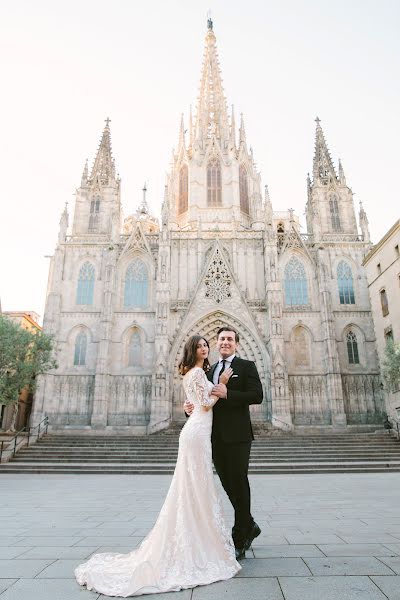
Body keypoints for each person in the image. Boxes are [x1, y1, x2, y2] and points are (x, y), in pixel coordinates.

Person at [74, 335, 241, 597]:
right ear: (192, 350)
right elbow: (206, 405)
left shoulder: (195, 373)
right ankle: (196, 544)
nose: (204, 348)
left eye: (205, 345)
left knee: (193, 488)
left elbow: (196, 403)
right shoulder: (198, 373)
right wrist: (220, 386)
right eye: (199, 345)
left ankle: (196, 539)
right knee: (194, 487)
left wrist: (195, 403)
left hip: (197, 431)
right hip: (197, 433)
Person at [184, 326, 263, 559]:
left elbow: (256, 395)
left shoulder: (246, 366)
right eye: (221, 339)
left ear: (236, 343)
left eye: (229, 339)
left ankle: (240, 537)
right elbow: (202, 400)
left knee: (239, 482)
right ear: (217, 344)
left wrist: (228, 394)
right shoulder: (209, 371)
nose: (225, 342)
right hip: (214, 436)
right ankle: (250, 525)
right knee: (228, 485)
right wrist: (188, 409)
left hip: (238, 435)